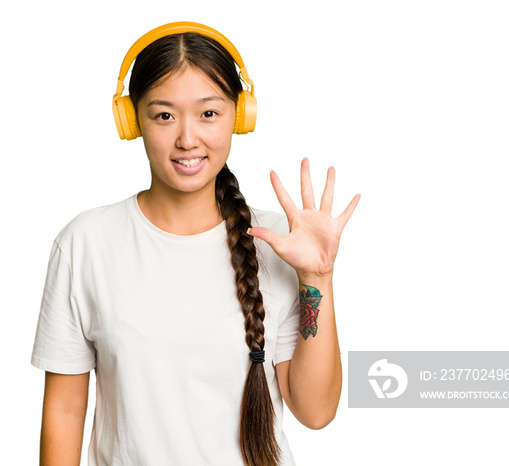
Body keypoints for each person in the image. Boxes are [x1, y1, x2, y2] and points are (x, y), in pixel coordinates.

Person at [31, 22, 360, 466]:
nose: (188, 138)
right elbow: (65, 410)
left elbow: (316, 411)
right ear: (131, 121)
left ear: (239, 116)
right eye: (164, 115)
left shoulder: (277, 244)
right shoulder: (85, 245)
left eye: (209, 113)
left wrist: (316, 276)